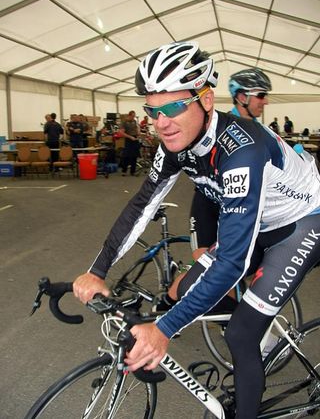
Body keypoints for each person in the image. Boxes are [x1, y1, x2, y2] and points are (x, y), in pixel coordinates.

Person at [73, 41, 320, 419]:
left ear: (206, 99)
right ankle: (254, 316)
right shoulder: (175, 143)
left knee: (242, 332)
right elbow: (142, 204)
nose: (161, 122)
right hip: (258, 220)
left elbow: (233, 260)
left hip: (303, 221)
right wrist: (98, 270)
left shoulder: (243, 149)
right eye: (152, 111)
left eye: (173, 107)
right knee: (188, 289)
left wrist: (165, 329)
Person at [155, 67, 273, 312]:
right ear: (242, 97)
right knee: (209, 268)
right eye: (261, 95)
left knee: (240, 268)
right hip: (208, 207)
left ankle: (232, 312)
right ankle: (167, 305)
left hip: (240, 208)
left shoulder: (259, 130)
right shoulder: (219, 125)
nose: (266, 101)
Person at [119, 110, 141, 176]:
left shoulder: (134, 121)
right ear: (129, 115)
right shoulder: (124, 122)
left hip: (135, 139)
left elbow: (136, 129)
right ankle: (124, 170)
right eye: (132, 116)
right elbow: (121, 132)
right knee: (127, 156)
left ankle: (132, 171)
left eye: (134, 116)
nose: (133, 118)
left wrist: (138, 132)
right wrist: (130, 137)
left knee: (134, 156)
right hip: (128, 139)